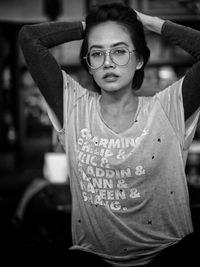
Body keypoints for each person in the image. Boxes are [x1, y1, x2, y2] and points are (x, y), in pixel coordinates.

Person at [18, 3, 200, 267]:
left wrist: (149, 23)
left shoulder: (169, 108)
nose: (108, 62)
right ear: (89, 65)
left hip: (170, 255)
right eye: (96, 54)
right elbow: (29, 38)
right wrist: (89, 26)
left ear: (139, 60)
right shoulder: (72, 106)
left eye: (119, 51)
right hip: (93, 259)